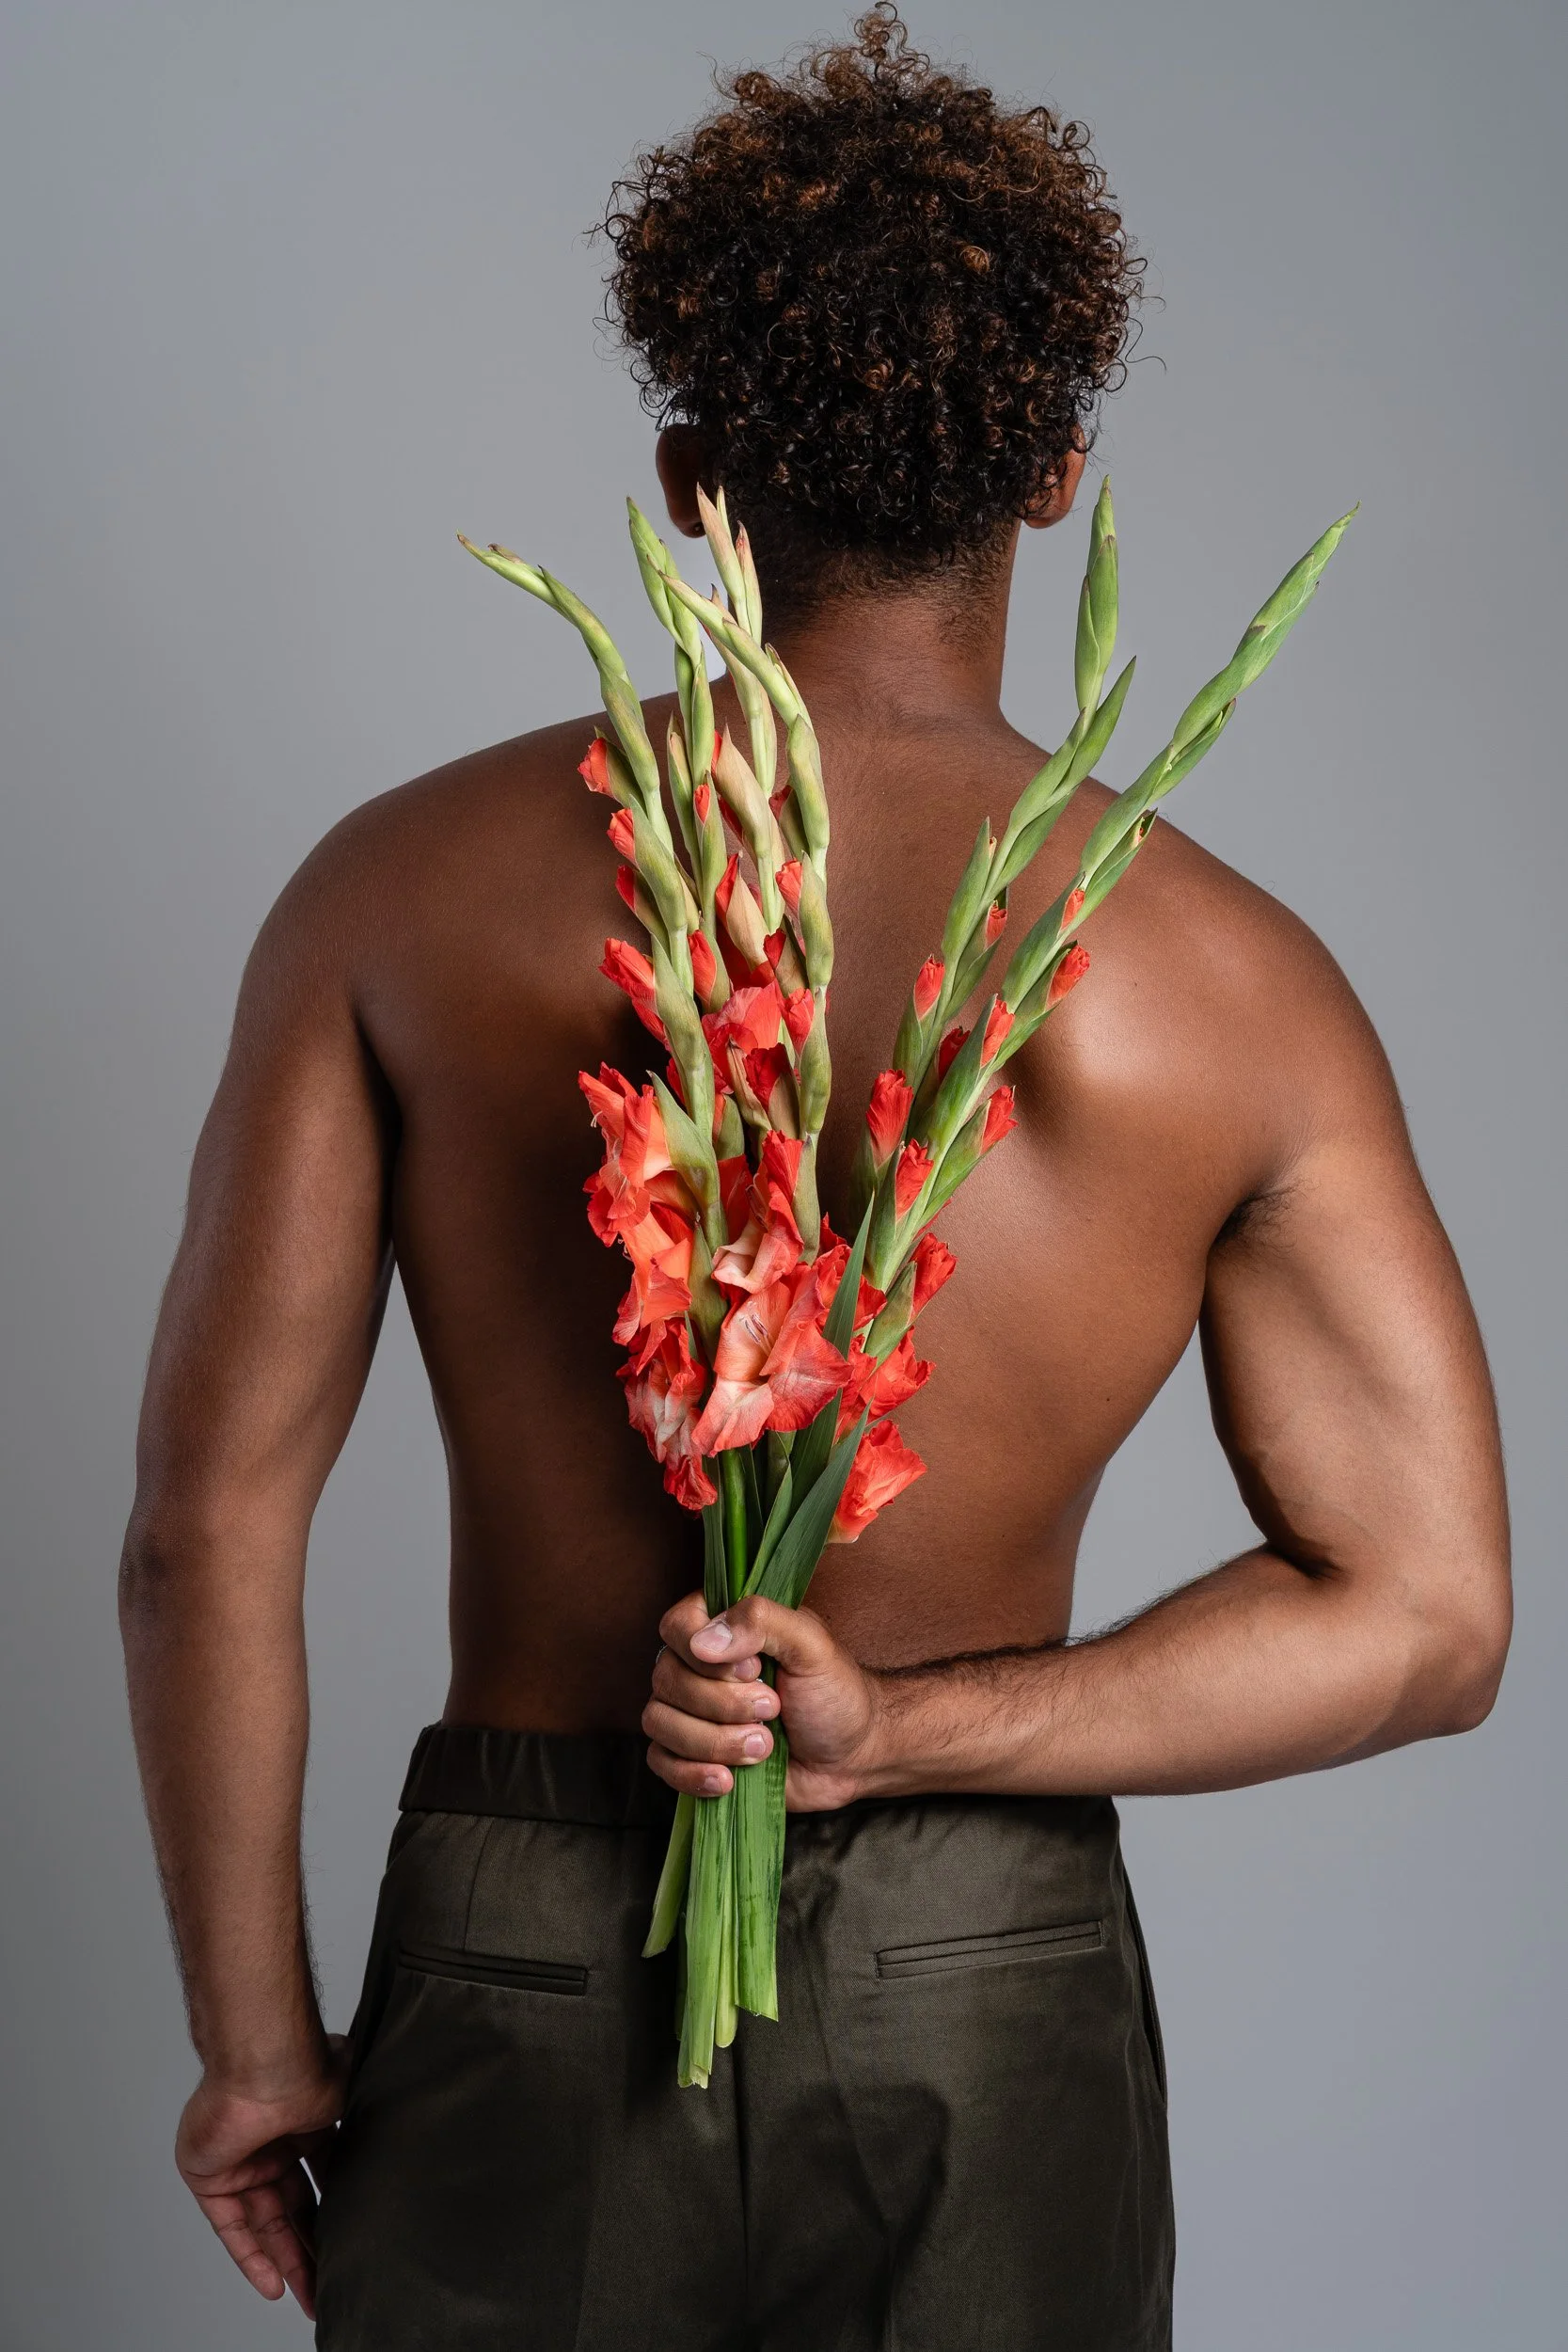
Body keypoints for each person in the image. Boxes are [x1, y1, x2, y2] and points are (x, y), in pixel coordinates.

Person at [119, 10, 1511, 2349]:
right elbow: (1428, 1616)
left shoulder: (398, 898)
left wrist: (259, 2040)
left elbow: (203, 1528)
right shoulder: (1229, 983)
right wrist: (914, 1727)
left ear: (686, 474)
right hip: (987, 1973)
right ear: (1055, 467)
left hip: (518, 1936)